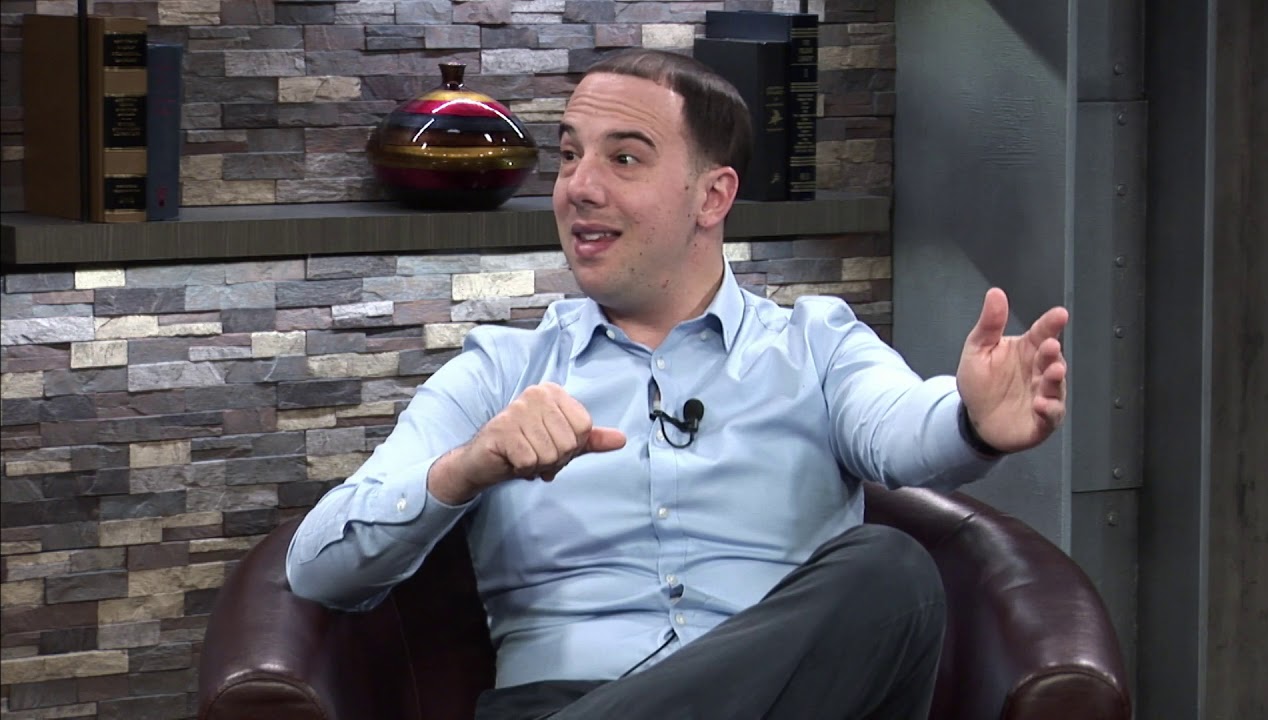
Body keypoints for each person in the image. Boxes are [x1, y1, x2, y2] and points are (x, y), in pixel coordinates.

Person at [285, 48, 1069, 720]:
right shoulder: (500, 370)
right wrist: (467, 467)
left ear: (713, 196)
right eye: (570, 155)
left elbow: (902, 426)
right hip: (559, 701)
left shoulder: (815, 344)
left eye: (623, 159)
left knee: (892, 576)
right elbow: (318, 567)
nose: (578, 187)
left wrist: (970, 419)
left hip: (787, 702)